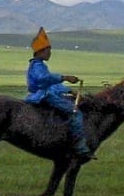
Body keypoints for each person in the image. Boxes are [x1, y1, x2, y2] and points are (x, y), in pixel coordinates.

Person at [24, 26, 92, 159]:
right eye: (48, 51)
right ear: (40, 51)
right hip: (42, 96)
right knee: (75, 113)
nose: (50, 53)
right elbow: (43, 80)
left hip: (45, 93)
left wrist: (68, 91)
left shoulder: (40, 65)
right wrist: (64, 77)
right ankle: (79, 146)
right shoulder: (38, 66)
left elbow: (51, 85)